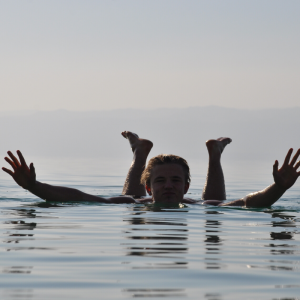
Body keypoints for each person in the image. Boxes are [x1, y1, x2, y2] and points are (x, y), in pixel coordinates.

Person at [2, 131, 300, 207]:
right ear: (150, 188)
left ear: (185, 187)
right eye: (160, 182)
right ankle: (140, 152)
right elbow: (77, 196)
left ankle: (215, 153)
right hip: (137, 203)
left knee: (214, 207)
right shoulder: (136, 199)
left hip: (202, 205)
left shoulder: (195, 204)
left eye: (175, 181)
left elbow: (247, 202)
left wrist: (279, 188)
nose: (168, 185)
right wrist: (33, 187)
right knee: (129, 203)